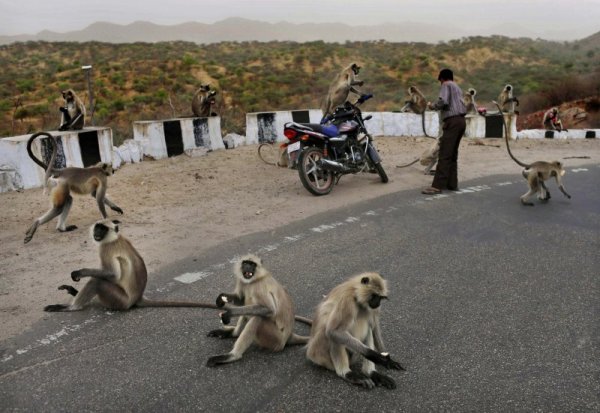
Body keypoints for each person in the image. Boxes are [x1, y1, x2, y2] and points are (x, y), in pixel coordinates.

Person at [421, 68, 467, 195]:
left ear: (442, 78)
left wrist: (432, 106)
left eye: (440, 81)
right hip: (461, 121)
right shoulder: (457, 87)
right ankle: (452, 184)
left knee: (445, 154)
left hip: (452, 122)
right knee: (453, 155)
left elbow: (443, 101)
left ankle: (437, 186)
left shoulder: (446, 85)